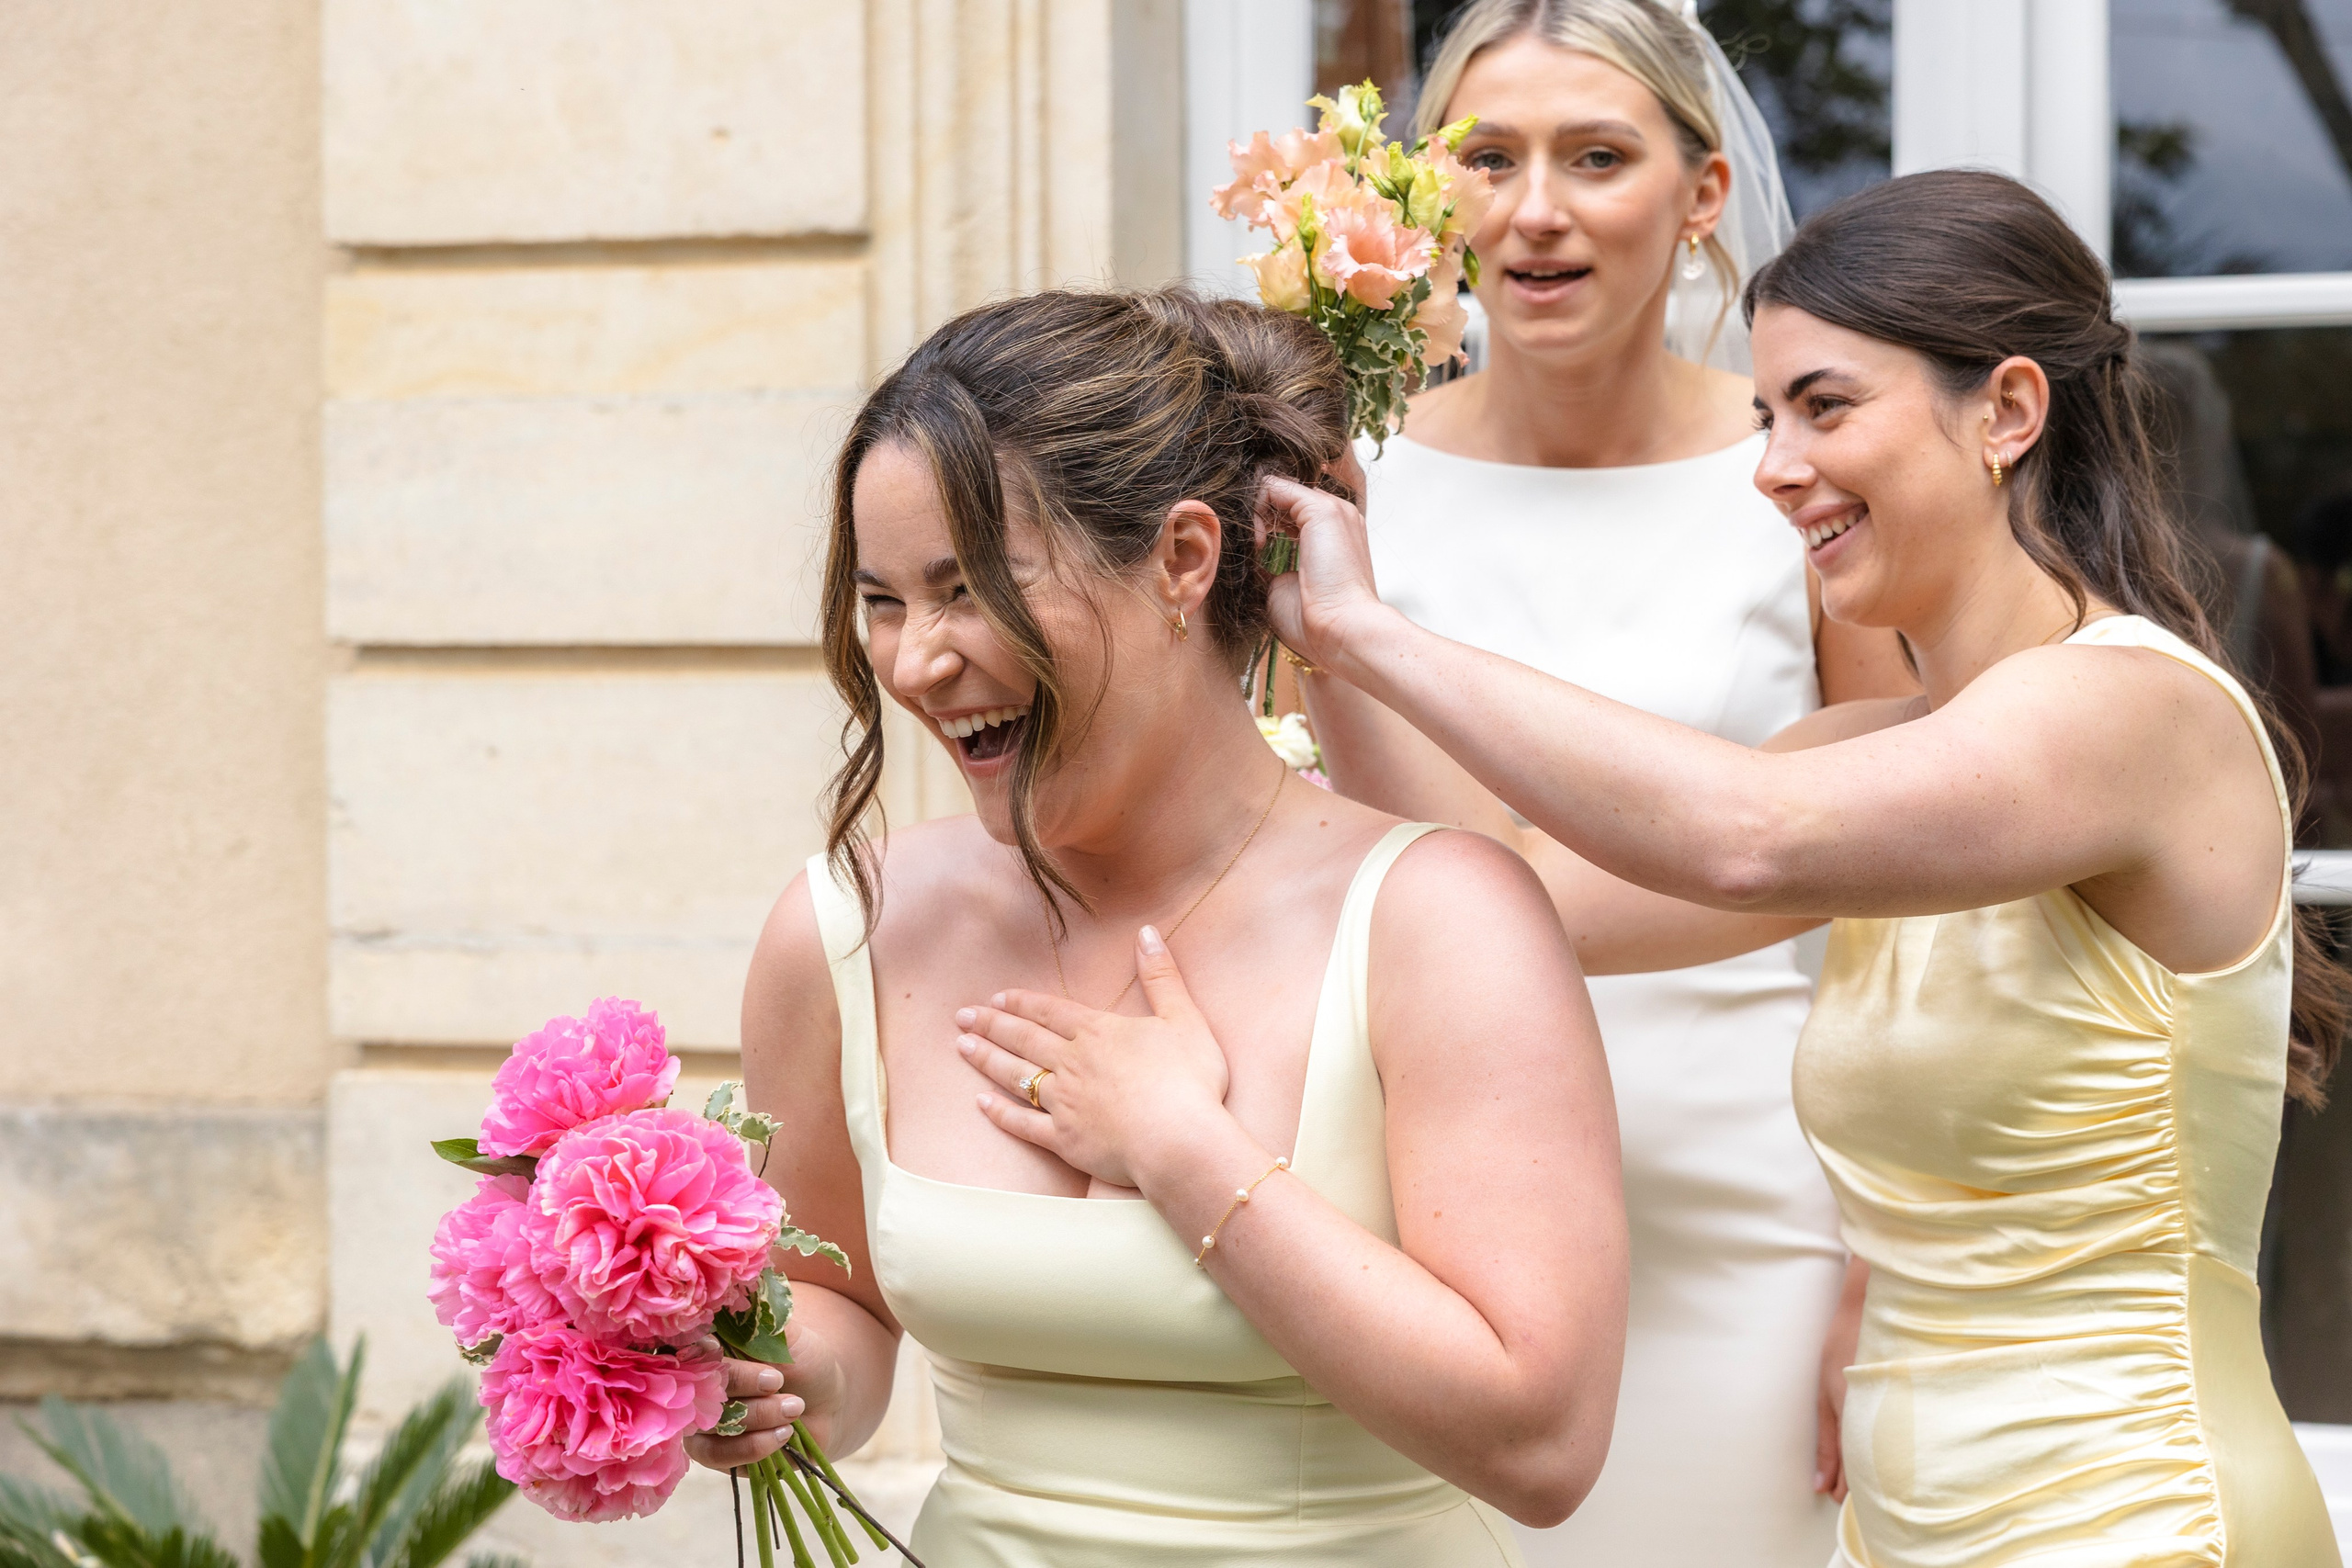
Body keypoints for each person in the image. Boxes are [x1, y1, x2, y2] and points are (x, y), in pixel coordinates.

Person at [1264, 168, 2346, 1566]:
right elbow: (1518, 889)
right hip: (1906, 1531)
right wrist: (1321, 639)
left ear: (2008, 413)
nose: (1772, 466)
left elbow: (1738, 833)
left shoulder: (2129, 709)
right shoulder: (1872, 742)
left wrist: (1387, 638)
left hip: (2136, 1519)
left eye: (1826, 408)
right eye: (1767, 416)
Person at [682, 287, 1627, 1566]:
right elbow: (844, 1304)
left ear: (1183, 559)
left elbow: (1543, 1445)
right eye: (885, 601)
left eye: (969, 588)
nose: (916, 664)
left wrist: (1185, 1153)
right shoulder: (844, 929)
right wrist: (764, 1376)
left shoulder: (1438, 919)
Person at [1308, 5, 1914, 1562]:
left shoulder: (1803, 485)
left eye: (1597, 157)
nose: (1535, 210)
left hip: (1750, 1211)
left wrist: (1889, 1256)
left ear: (1703, 194)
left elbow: (1917, 906)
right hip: (1408, 1222)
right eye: (1487, 159)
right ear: (1428, 196)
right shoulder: (1339, 495)